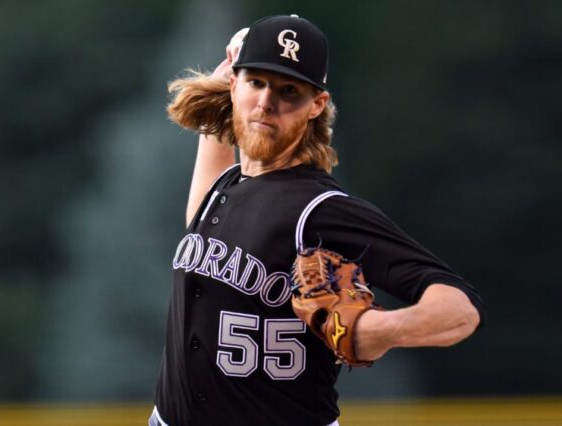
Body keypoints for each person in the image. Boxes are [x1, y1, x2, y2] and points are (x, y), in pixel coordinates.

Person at [151, 14, 485, 426]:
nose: (267, 101)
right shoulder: (226, 189)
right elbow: (203, 218)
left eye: (288, 91)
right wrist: (226, 95)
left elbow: (459, 310)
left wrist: (377, 331)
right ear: (234, 84)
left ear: (316, 105)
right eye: (256, 82)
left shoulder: (320, 208)